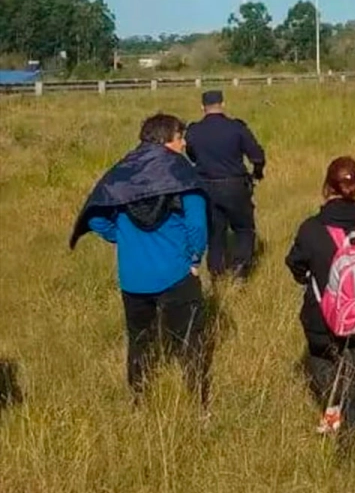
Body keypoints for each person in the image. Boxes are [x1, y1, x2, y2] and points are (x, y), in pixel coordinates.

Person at [69, 114, 211, 409]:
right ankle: (198, 404)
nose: (184, 143)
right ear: (166, 140)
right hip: (177, 273)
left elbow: (94, 215)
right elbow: (197, 225)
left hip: (132, 278)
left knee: (139, 341)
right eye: (180, 137)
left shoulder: (122, 173)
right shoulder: (182, 174)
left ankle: (138, 400)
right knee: (190, 341)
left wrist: (121, 236)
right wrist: (194, 258)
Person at [284, 156, 355, 451]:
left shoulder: (310, 229)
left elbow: (295, 265)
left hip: (321, 321)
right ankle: (350, 441)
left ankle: (333, 410)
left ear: (326, 187)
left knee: (322, 365)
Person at [186, 90, 266, 282]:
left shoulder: (193, 131)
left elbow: (192, 155)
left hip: (206, 186)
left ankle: (217, 274)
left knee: (215, 233)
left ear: (202, 107)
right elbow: (257, 156)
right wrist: (257, 174)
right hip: (235, 185)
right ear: (223, 104)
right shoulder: (237, 128)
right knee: (243, 228)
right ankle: (240, 270)